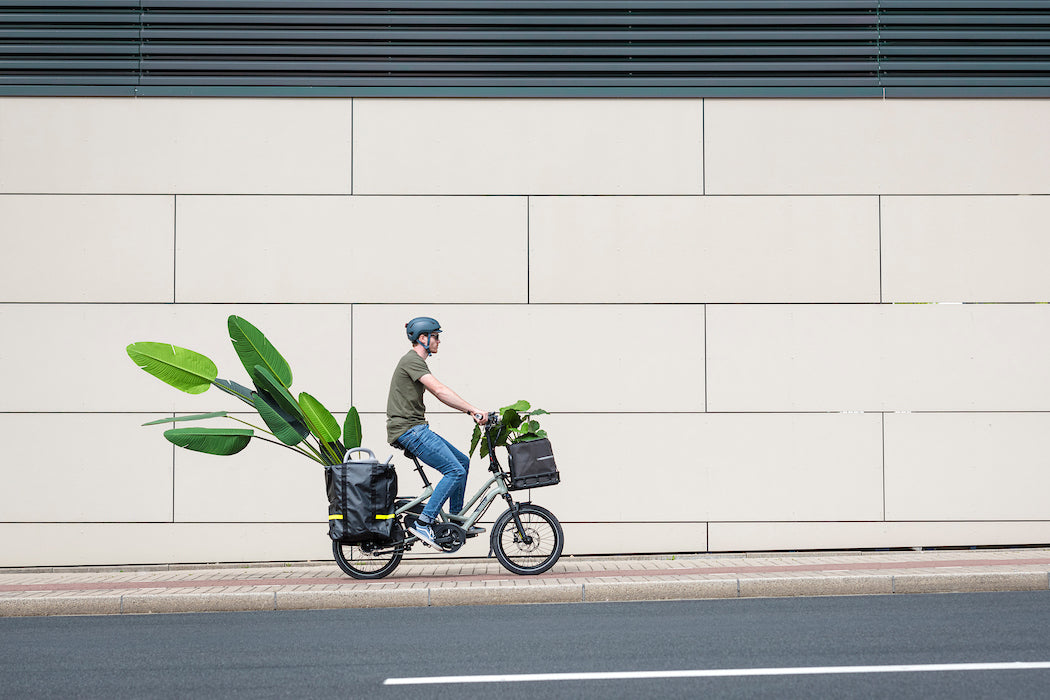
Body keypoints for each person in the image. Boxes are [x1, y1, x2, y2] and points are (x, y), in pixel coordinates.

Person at [386, 316, 489, 548]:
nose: (439, 341)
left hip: (414, 428)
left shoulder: (415, 362)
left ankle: (453, 521)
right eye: (436, 336)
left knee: (461, 462)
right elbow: (440, 391)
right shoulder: (412, 361)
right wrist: (473, 410)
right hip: (410, 430)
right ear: (423, 338)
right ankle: (425, 522)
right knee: (453, 470)